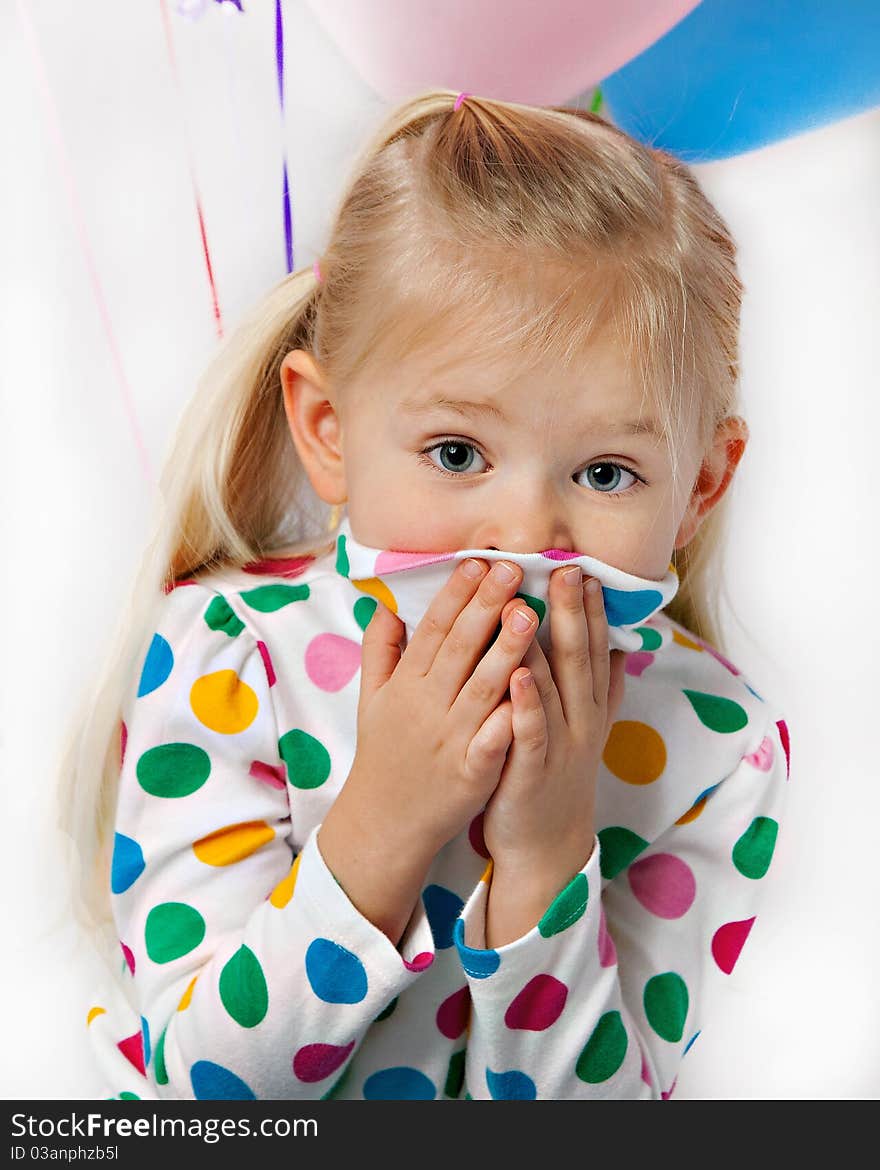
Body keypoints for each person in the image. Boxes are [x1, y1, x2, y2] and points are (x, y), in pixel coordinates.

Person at [61, 89, 790, 1101]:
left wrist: (545, 856)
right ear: (326, 430)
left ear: (700, 486)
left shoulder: (717, 741)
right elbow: (210, 1096)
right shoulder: (232, 656)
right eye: (457, 453)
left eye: (606, 472)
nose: (527, 535)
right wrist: (386, 821)